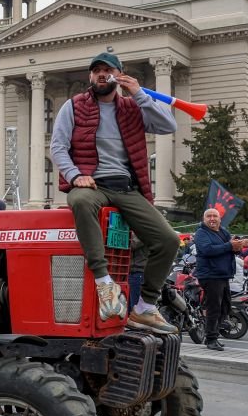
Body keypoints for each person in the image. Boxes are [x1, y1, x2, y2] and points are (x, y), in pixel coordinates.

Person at [50, 51, 180, 333]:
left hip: (127, 188)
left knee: (168, 240)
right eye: (95, 70)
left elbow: (169, 126)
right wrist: (75, 176)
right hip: (92, 184)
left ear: (118, 76)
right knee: (81, 201)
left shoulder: (132, 107)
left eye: (106, 70)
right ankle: (104, 283)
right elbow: (58, 147)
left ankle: (145, 307)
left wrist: (139, 95)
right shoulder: (73, 106)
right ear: (90, 77)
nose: (100, 74)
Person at [194, 208, 248, 351]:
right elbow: (207, 250)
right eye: (209, 216)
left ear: (220, 219)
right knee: (214, 308)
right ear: (204, 219)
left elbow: (230, 248)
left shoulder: (223, 232)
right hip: (210, 275)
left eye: (215, 216)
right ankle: (211, 338)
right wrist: (230, 245)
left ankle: (215, 335)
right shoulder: (201, 233)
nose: (212, 219)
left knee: (225, 306)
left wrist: (238, 245)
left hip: (223, 275)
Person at [127, 232, 147, 312]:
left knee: (134, 307)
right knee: (129, 306)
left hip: (138, 272)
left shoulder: (144, 231)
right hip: (133, 271)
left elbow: (133, 245)